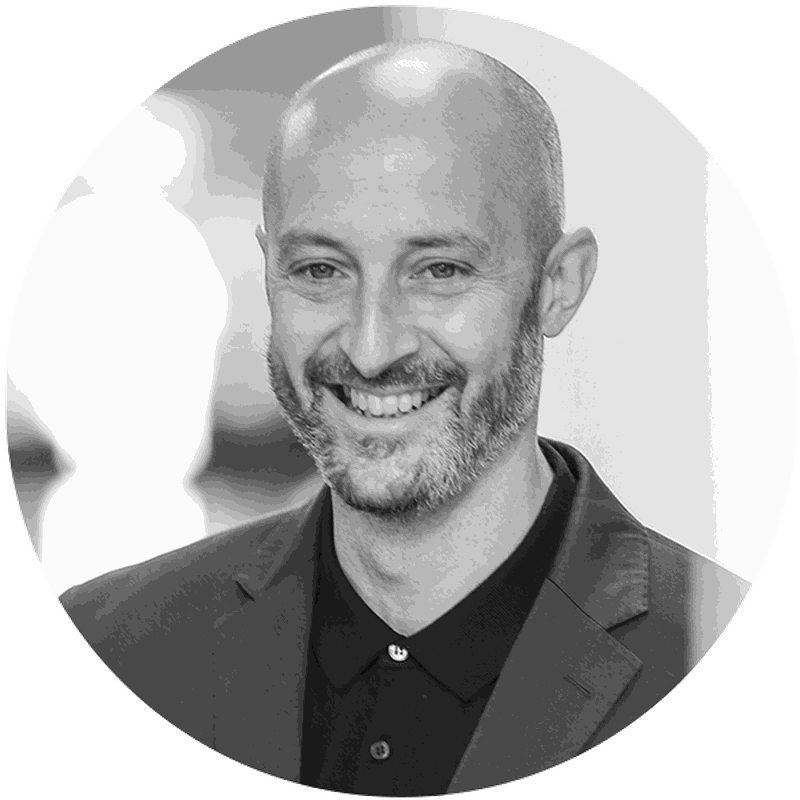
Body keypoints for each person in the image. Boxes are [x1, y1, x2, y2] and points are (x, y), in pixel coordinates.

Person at [59, 40, 750, 794]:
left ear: (558, 285)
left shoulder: (702, 645)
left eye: (439, 271)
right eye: (320, 270)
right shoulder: (111, 645)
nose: (371, 347)